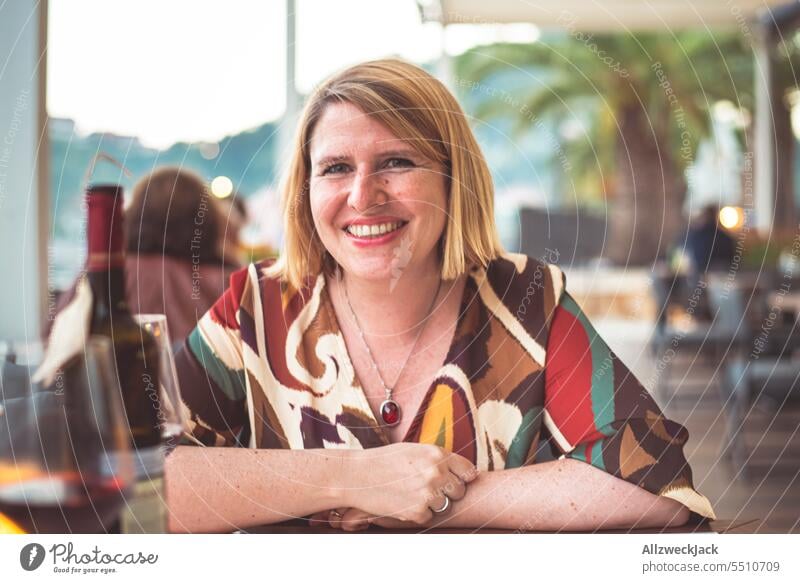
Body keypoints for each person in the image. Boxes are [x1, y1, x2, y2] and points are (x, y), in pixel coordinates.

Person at [167, 59, 715, 533]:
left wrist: (432, 501)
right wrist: (358, 479)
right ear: (305, 191)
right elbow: (145, 476)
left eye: (396, 162)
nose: (363, 196)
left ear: (453, 178)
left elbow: (656, 485)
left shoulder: (526, 301)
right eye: (336, 168)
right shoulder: (255, 307)